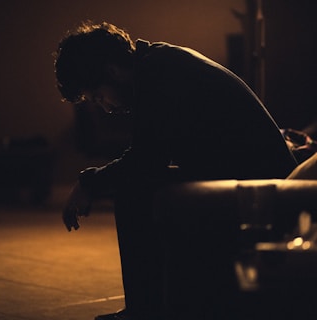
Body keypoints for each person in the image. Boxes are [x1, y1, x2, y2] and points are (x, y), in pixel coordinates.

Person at [54, 21, 297, 320]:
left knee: (135, 191)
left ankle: (145, 311)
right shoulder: (156, 63)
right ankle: (154, 307)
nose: (104, 107)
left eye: (98, 97)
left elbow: (144, 161)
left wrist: (88, 183)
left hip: (267, 190)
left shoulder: (158, 75)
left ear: (112, 71)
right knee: (148, 187)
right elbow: (152, 156)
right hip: (252, 178)